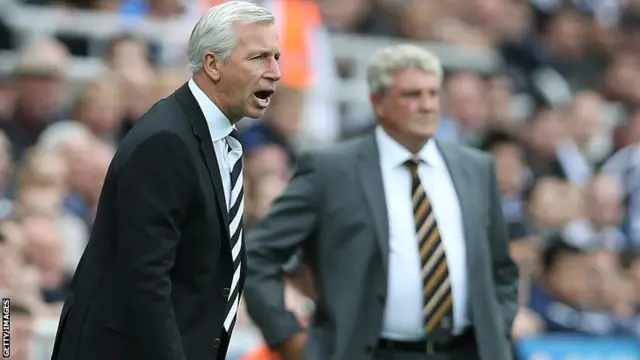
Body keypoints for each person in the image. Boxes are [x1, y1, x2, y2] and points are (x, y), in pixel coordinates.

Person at [243, 44, 518, 360]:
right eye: (412, 95)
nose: (427, 105)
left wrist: (497, 326)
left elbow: (501, 268)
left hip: (466, 351)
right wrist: (287, 337)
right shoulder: (331, 170)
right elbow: (259, 255)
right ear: (378, 102)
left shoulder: (476, 168)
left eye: (433, 93)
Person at [49, 2, 281, 360]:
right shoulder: (166, 141)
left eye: (276, 57)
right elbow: (145, 280)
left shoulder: (217, 140)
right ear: (213, 64)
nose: (275, 72)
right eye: (259, 58)